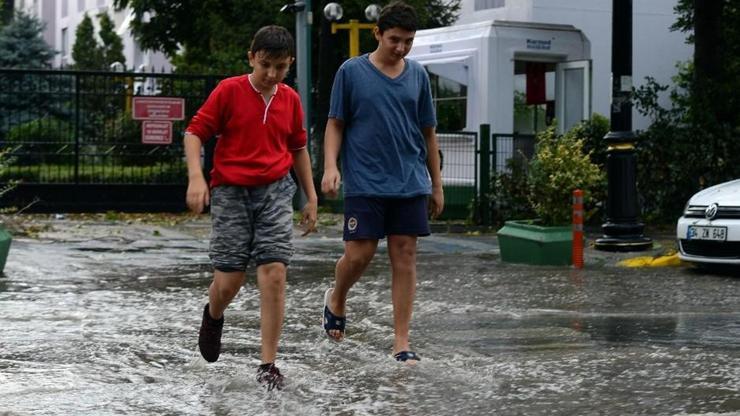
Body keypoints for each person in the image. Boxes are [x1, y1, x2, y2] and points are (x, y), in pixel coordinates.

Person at [183, 25, 317, 391]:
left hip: (275, 191)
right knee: (229, 281)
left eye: (280, 67)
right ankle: (213, 316)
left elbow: (298, 148)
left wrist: (310, 195)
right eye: (265, 66)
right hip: (231, 193)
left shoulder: (290, 99)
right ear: (251, 58)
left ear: (290, 63)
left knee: (274, 271)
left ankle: (268, 363)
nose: (272, 75)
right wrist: (197, 178)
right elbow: (195, 133)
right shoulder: (229, 90)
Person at [320, 1, 443, 363]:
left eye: (408, 41)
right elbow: (335, 122)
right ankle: (337, 296)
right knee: (359, 255)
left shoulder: (418, 75)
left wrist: (436, 184)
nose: (401, 48)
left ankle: (401, 342)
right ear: (377, 34)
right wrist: (330, 166)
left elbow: (429, 133)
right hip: (365, 180)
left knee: (404, 256)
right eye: (394, 40)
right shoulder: (351, 72)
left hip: (409, 180)